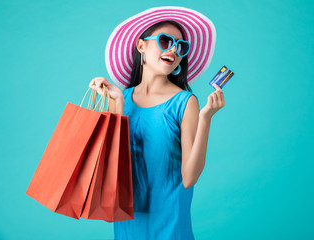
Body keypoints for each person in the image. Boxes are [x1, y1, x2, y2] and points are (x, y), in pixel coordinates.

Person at [88, 6, 225, 240]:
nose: (173, 49)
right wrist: (117, 104)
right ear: (141, 46)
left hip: (169, 224)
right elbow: (111, 165)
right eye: (165, 40)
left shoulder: (185, 102)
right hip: (127, 220)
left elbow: (189, 178)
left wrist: (205, 118)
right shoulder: (122, 98)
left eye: (181, 46)